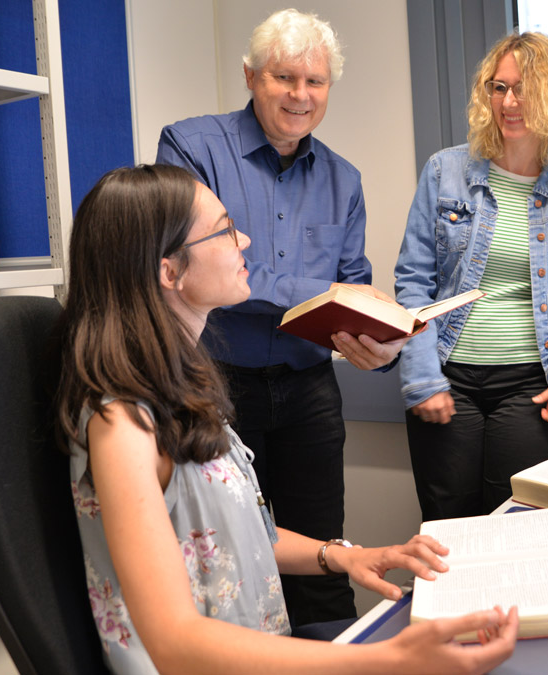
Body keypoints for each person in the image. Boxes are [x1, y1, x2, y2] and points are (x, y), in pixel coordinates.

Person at [54, 164, 518, 673]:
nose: (245, 240)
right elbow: (175, 642)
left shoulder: (180, 386)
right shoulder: (121, 424)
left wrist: (344, 556)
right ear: (171, 271)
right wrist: (389, 660)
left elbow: (230, 537)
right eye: (227, 229)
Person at [155, 9, 400, 626]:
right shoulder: (190, 147)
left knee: (324, 553)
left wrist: (373, 338)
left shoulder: (345, 180)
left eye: (315, 82)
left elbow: (354, 286)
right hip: (214, 381)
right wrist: (325, 291)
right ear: (250, 76)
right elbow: (200, 265)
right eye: (284, 77)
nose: (300, 95)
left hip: (309, 390)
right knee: (224, 555)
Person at [394, 33, 548, 521]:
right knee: (449, 526)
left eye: (524, 88)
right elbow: (413, 284)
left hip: (532, 384)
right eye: (499, 87)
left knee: (515, 526)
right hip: (448, 376)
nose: (509, 102)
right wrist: (422, 376)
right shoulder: (444, 172)